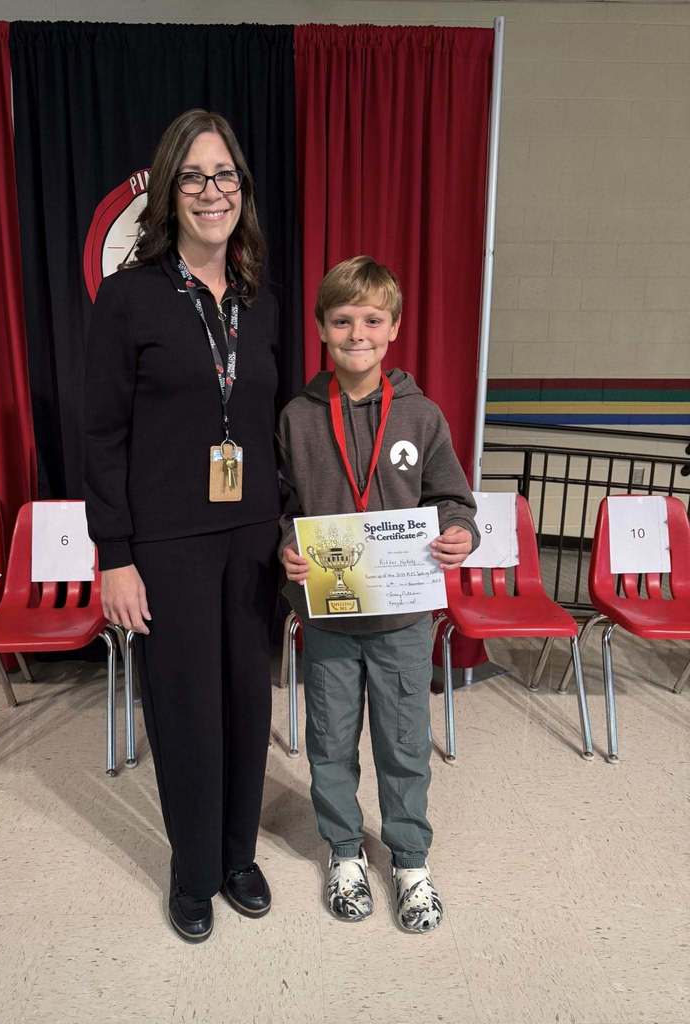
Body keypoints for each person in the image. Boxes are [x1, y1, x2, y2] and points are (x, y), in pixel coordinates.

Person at [84, 109, 281, 943]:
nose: (212, 192)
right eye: (195, 177)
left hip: (253, 538)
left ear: (242, 188)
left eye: (225, 175)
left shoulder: (256, 302)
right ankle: (194, 868)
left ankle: (239, 854)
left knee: (245, 703)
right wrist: (115, 556)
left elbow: (271, 425)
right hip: (166, 545)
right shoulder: (129, 298)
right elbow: (100, 435)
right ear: (170, 189)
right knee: (187, 709)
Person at [278, 256, 479, 933]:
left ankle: (411, 859)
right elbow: (281, 506)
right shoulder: (298, 417)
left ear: (392, 328)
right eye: (342, 320)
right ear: (322, 329)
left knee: (403, 742)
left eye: (370, 319)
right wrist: (284, 550)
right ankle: (343, 851)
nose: (356, 332)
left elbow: (452, 497)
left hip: (401, 618)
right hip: (329, 618)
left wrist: (458, 532)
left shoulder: (421, 416)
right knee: (330, 741)